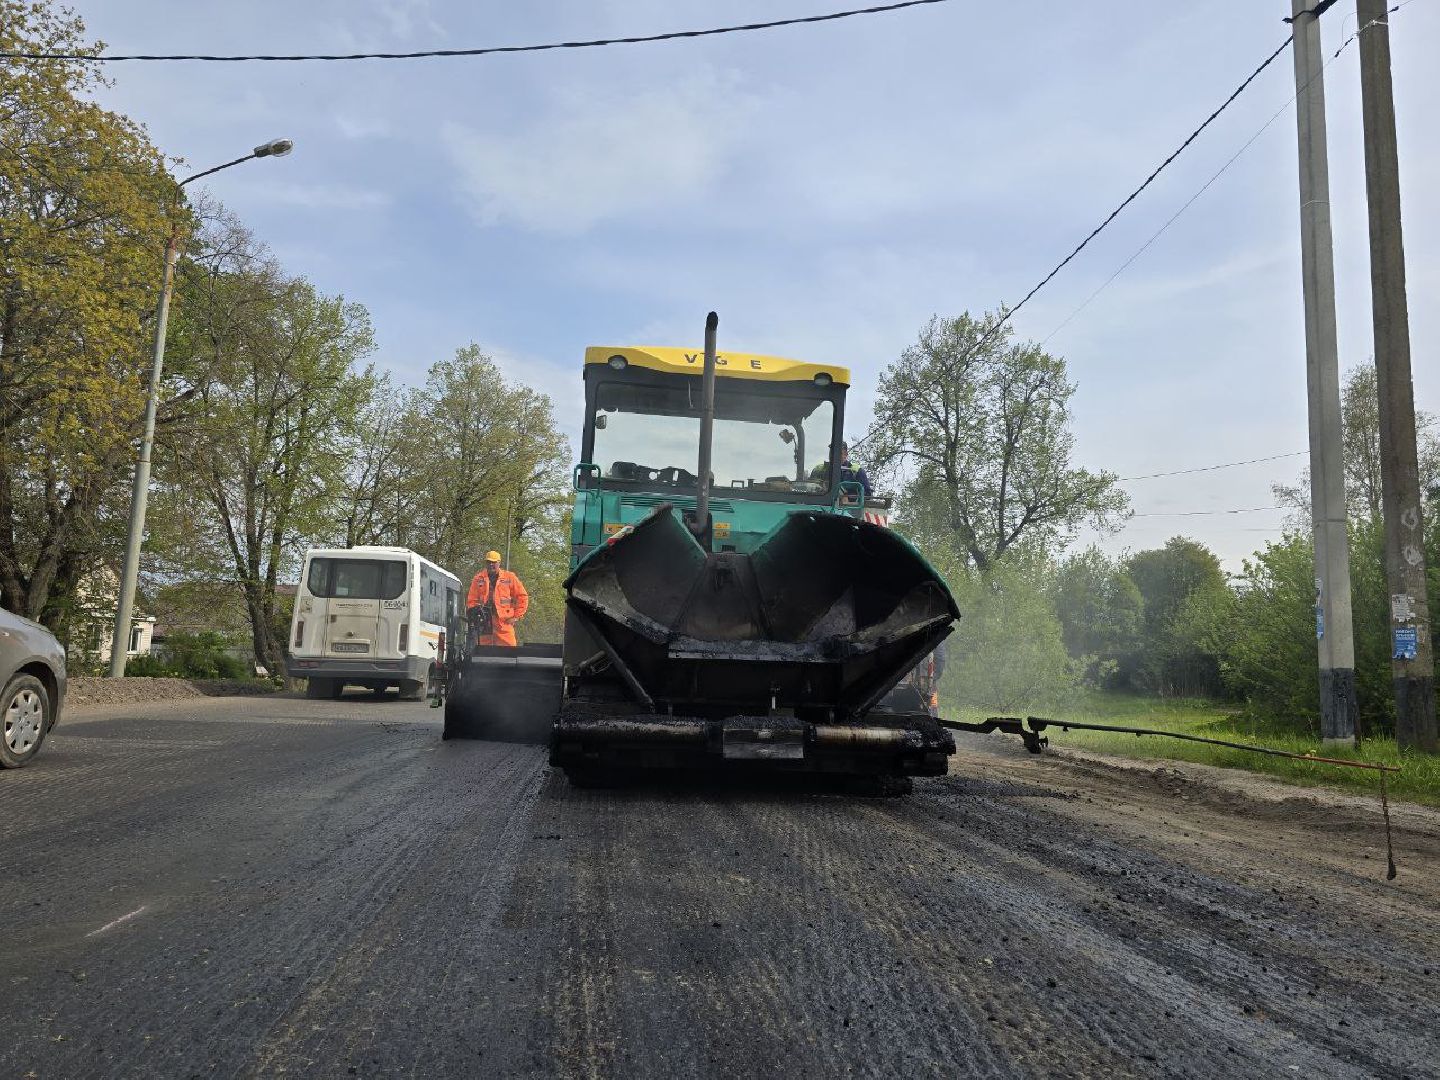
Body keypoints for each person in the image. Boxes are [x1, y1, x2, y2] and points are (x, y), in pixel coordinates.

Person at [466, 550, 529, 647]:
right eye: (489, 562)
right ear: (486, 563)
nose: (491, 564)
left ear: (499, 563)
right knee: (483, 651)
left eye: (494, 562)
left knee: (509, 650)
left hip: (504, 622)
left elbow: (522, 597)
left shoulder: (509, 577)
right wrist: (475, 616)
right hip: (484, 622)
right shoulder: (478, 578)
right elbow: (472, 600)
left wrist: (516, 617)